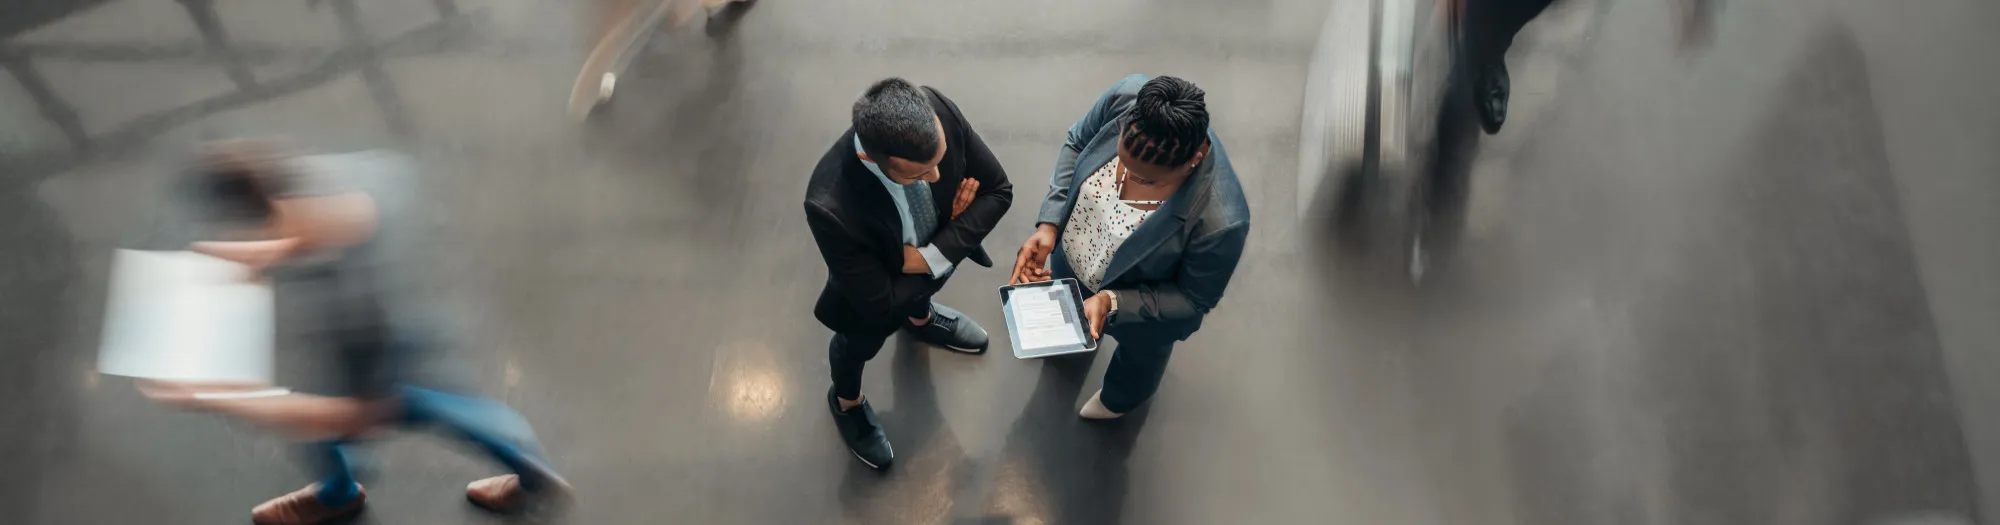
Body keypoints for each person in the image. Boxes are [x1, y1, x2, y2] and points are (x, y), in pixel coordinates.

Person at [139, 141, 572, 525]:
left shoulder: (355, 301)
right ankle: (532, 473)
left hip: (380, 361)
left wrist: (215, 396)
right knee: (444, 409)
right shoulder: (336, 182)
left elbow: (352, 413)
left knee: (394, 414)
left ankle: (341, 495)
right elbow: (321, 229)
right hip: (393, 333)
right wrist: (254, 255)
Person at [1010, 74, 1249, 419]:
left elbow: (1194, 299)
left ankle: (1119, 399)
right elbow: (1078, 142)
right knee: (1069, 321)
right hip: (1073, 257)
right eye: (1120, 159)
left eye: (1145, 179)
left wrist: (1112, 301)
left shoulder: (1222, 223)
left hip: (1137, 307)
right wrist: (1049, 223)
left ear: (1193, 160)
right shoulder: (1126, 96)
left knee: (1140, 359)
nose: (1123, 179)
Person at [803, 78, 1013, 469]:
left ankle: (921, 318)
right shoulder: (830, 205)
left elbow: (999, 191)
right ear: (871, 159)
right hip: (870, 301)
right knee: (857, 346)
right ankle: (846, 402)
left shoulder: (937, 108)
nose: (937, 179)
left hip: (915, 266)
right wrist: (956, 231)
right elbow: (880, 304)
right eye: (919, 175)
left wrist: (930, 256)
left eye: (940, 161)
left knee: (918, 294)